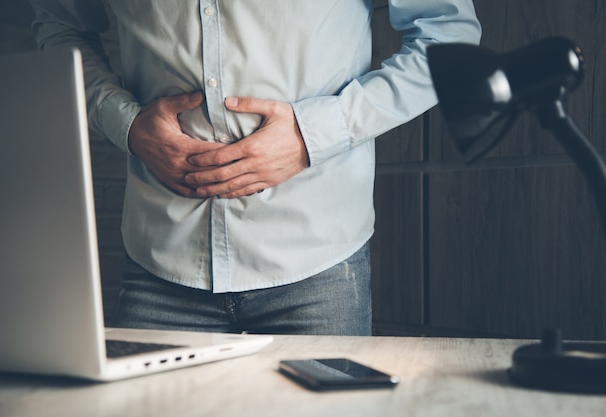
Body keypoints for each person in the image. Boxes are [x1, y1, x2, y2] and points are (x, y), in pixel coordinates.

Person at [29, 0, 481, 336]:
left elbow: (448, 34)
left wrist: (314, 133)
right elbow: (58, 26)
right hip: (159, 262)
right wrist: (125, 124)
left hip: (317, 265)